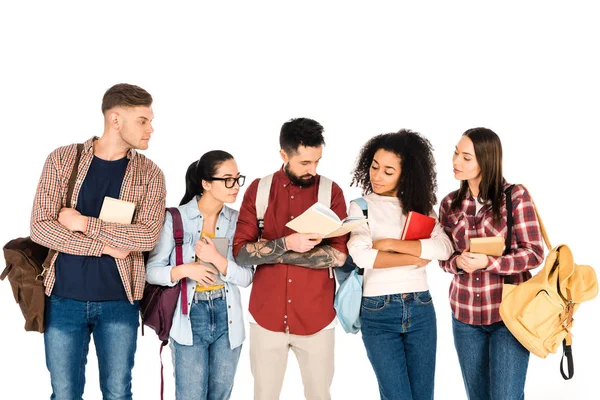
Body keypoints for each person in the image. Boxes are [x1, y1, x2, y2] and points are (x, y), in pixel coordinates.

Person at [29, 83, 167, 399]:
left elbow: (146, 235)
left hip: (120, 301)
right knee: (64, 393)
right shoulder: (62, 160)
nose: (151, 129)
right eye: (143, 120)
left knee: (118, 393)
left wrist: (83, 223)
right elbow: (41, 228)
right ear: (115, 120)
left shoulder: (150, 174)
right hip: (63, 298)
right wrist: (106, 246)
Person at [233, 118, 348, 400]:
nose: (313, 170)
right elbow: (241, 253)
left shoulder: (330, 192)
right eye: (305, 162)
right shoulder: (259, 191)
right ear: (284, 155)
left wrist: (277, 253)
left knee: (319, 395)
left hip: (317, 318)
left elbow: (338, 255)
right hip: (266, 317)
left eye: (317, 161)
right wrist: (288, 243)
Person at [438, 127, 544, 400]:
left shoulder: (515, 196)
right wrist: (457, 262)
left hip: (508, 315)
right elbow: (444, 258)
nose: (455, 162)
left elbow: (534, 253)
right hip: (465, 316)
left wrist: (489, 262)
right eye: (455, 153)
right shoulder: (450, 203)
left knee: (506, 396)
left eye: (466, 157)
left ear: (486, 161)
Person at [347, 130, 453, 400]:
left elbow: (444, 247)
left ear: (404, 175)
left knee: (423, 395)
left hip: (421, 308)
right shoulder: (361, 207)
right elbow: (361, 255)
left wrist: (389, 243)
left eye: (388, 171)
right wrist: (414, 258)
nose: (377, 176)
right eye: (374, 166)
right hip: (377, 310)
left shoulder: (421, 207)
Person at [146, 151, 254, 400]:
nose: (235, 186)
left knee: (220, 396)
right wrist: (185, 270)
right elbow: (151, 272)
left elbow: (248, 277)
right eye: (228, 179)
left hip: (228, 317)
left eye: (238, 179)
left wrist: (218, 260)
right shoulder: (175, 218)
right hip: (188, 317)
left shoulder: (238, 221)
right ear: (206, 184)